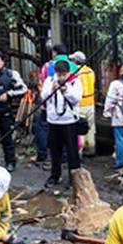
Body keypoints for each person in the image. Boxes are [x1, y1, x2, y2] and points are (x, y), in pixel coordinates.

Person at [41, 55, 83, 188]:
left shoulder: (75, 82)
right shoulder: (49, 81)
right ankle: (55, 175)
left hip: (69, 121)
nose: (61, 78)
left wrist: (66, 91)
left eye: (64, 74)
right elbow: (43, 97)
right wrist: (52, 89)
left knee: (72, 151)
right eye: (59, 75)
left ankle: (74, 178)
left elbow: (76, 98)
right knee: (55, 151)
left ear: (69, 73)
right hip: (53, 121)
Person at [33, 44, 65, 164]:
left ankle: (42, 154)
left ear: (55, 53)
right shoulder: (72, 66)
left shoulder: (48, 66)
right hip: (66, 105)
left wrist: (43, 102)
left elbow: (41, 85)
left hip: (50, 103)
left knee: (42, 127)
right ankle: (65, 156)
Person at [71, 51, 96, 154]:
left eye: (73, 59)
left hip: (80, 103)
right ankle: (91, 149)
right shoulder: (91, 71)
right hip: (90, 102)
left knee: (79, 127)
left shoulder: (76, 72)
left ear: (76, 61)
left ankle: (79, 151)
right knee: (90, 127)